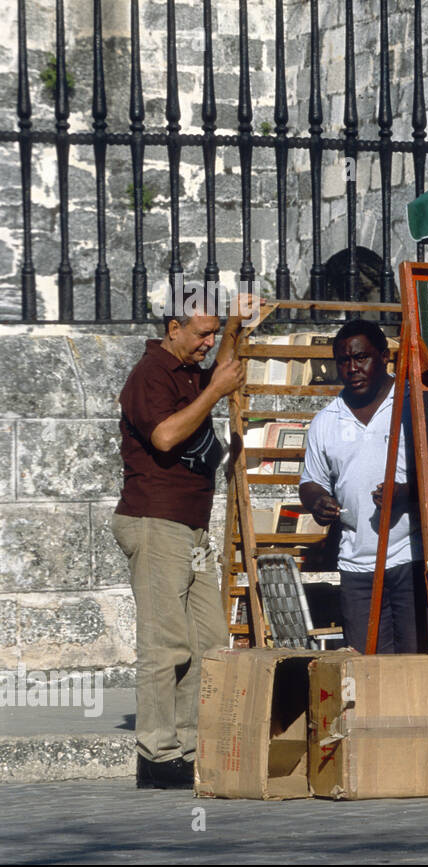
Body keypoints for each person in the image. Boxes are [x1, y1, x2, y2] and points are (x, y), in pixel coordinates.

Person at [113, 293, 246, 789]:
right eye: (201, 333)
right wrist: (213, 393)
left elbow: (222, 366)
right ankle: (156, 751)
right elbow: (166, 437)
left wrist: (236, 323)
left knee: (207, 642)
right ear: (173, 326)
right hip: (155, 518)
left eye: (213, 333)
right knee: (165, 644)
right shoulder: (151, 374)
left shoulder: (190, 368)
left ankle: (189, 746)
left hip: (190, 526)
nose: (208, 343)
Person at [299, 319, 423, 653]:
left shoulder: (412, 405)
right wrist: (318, 501)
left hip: (410, 558)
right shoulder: (327, 421)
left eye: (361, 358)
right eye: (344, 361)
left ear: (384, 357)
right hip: (356, 566)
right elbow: (310, 481)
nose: (352, 368)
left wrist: (406, 493)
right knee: (369, 667)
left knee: (415, 660)